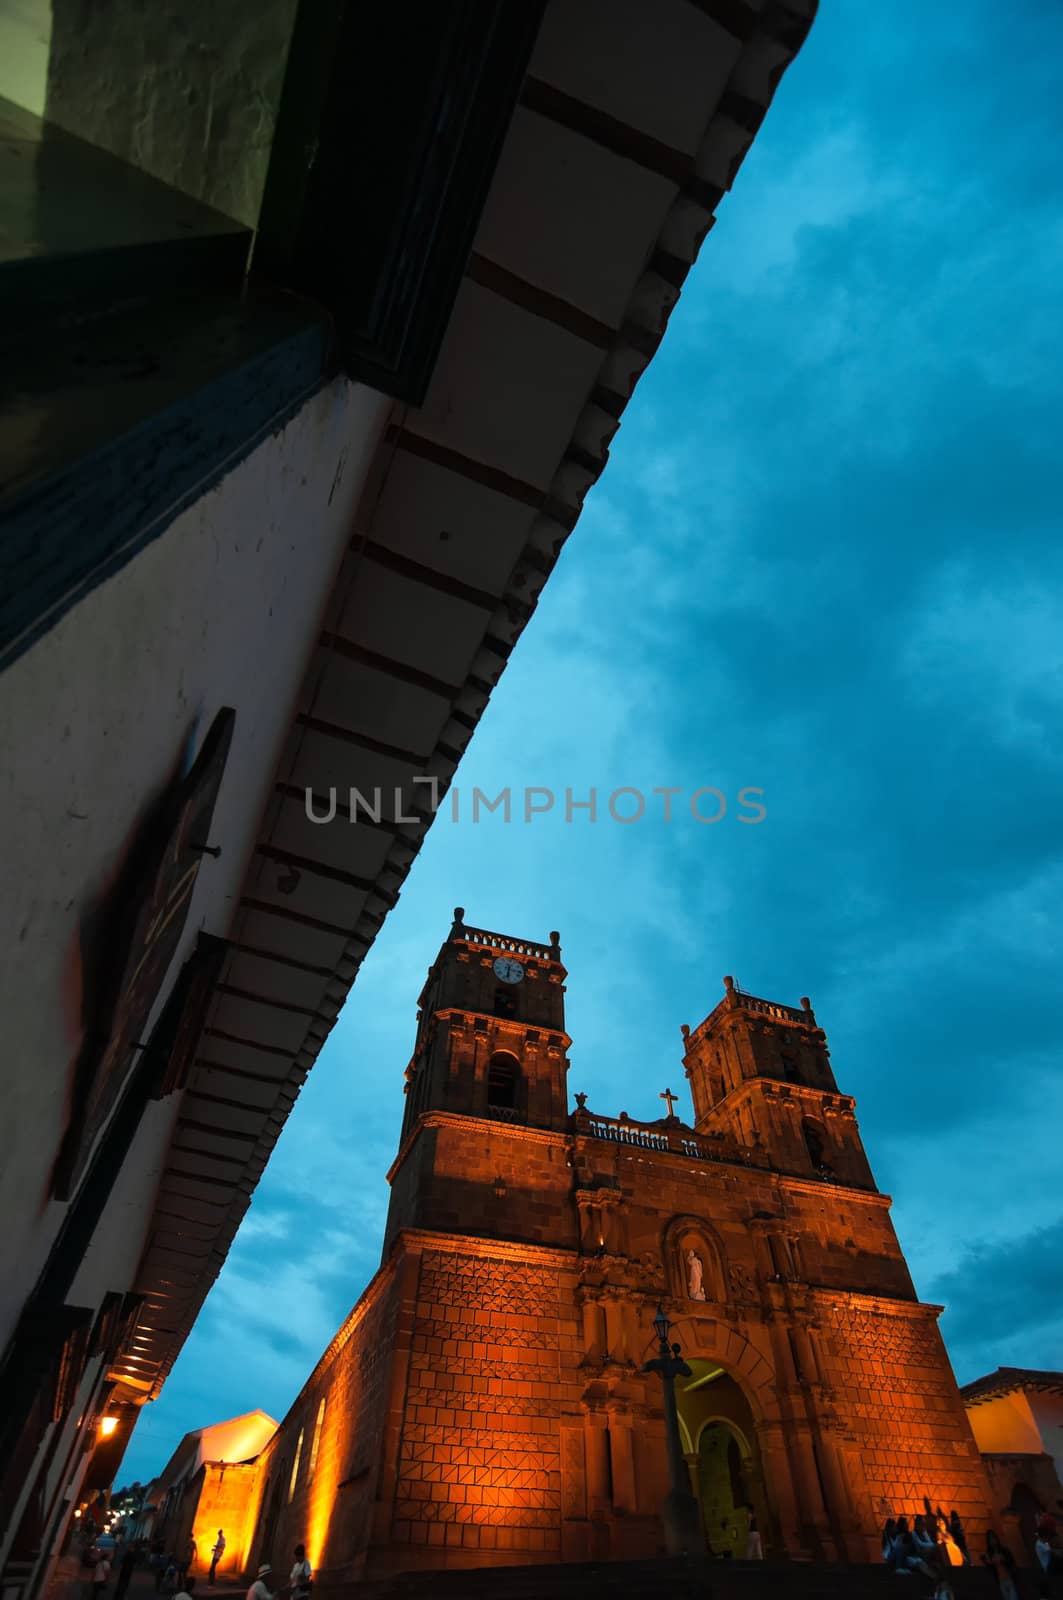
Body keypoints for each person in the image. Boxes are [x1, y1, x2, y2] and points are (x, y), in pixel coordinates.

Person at [983, 1530, 1019, 1600]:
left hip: (1009, 1578)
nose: (993, 1541)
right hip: (1000, 1581)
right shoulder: (990, 1554)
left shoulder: (1004, 1550)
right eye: (990, 1539)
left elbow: (1011, 1561)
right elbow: (990, 1569)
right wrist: (987, 1562)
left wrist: (1003, 1559)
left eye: (993, 1538)